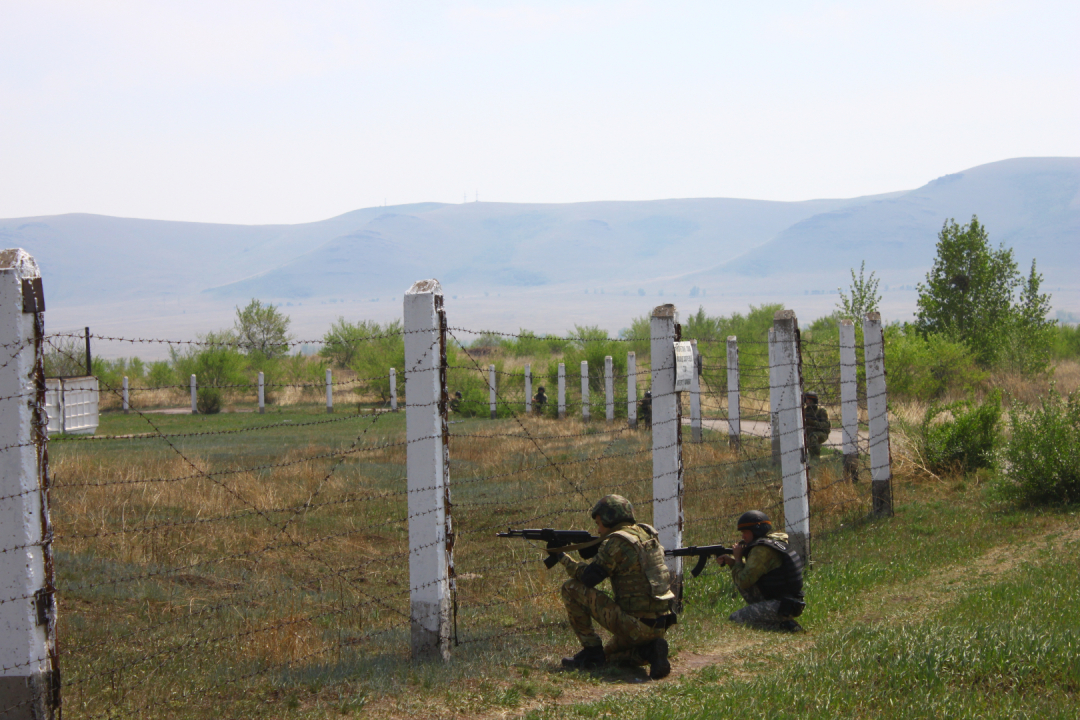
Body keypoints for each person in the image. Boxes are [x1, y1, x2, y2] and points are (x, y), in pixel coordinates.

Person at [554, 495, 676, 679]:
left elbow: (588, 578)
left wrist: (561, 557)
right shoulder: (646, 533)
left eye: (599, 523)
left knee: (571, 588)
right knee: (609, 657)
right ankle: (651, 651)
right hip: (659, 624)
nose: (598, 529)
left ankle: (590, 650)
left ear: (610, 519)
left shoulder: (616, 542)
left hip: (634, 625)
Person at [716, 510, 805, 632]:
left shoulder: (761, 550)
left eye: (745, 532)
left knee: (735, 620)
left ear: (755, 530)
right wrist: (732, 563)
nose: (743, 537)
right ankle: (783, 621)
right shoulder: (773, 543)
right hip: (787, 603)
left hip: (781, 605)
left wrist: (737, 559)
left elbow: (744, 581)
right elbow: (751, 573)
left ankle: (785, 627)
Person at [802, 392, 831, 458]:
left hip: (821, 434)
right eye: (806, 400)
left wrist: (813, 422)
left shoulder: (821, 411)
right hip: (808, 433)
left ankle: (815, 458)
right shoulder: (804, 411)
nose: (807, 402)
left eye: (810, 400)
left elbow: (826, 425)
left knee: (813, 436)